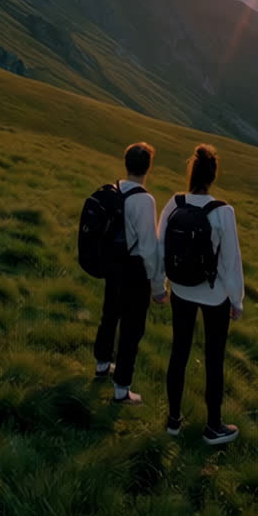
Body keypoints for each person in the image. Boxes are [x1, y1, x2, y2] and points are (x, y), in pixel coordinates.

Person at [157, 143, 243, 444]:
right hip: (214, 295)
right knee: (214, 358)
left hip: (180, 289)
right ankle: (213, 426)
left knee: (179, 352)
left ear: (191, 173)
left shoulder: (175, 203)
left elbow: (160, 246)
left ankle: (173, 420)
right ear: (213, 176)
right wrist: (237, 301)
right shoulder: (223, 212)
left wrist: (159, 285)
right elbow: (231, 261)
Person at [94, 141, 167, 404]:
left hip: (114, 265)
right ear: (148, 167)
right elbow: (148, 248)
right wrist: (158, 287)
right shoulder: (144, 200)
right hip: (135, 270)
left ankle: (102, 364)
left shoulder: (114, 189)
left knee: (109, 315)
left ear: (126, 164)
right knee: (131, 329)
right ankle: (121, 389)